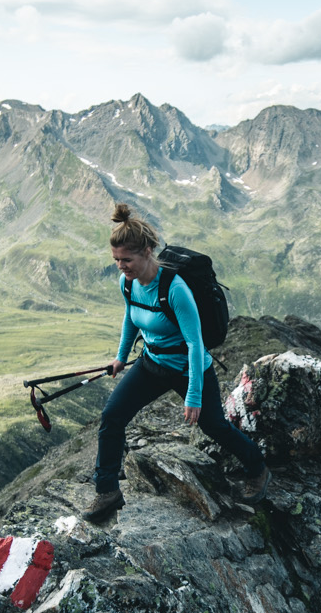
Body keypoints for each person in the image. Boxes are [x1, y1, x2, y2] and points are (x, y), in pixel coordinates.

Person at [84, 203, 267, 522]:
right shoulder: (128, 283)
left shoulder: (175, 289)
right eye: (116, 260)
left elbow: (196, 344)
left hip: (187, 367)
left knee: (214, 425)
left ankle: (257, 467)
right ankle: (107, 491)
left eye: (126, 260)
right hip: (151, 364)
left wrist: (194, 395)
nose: (121, 266)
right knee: (112, 417)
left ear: (147, 252)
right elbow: (131, 318)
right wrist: (120, 357)